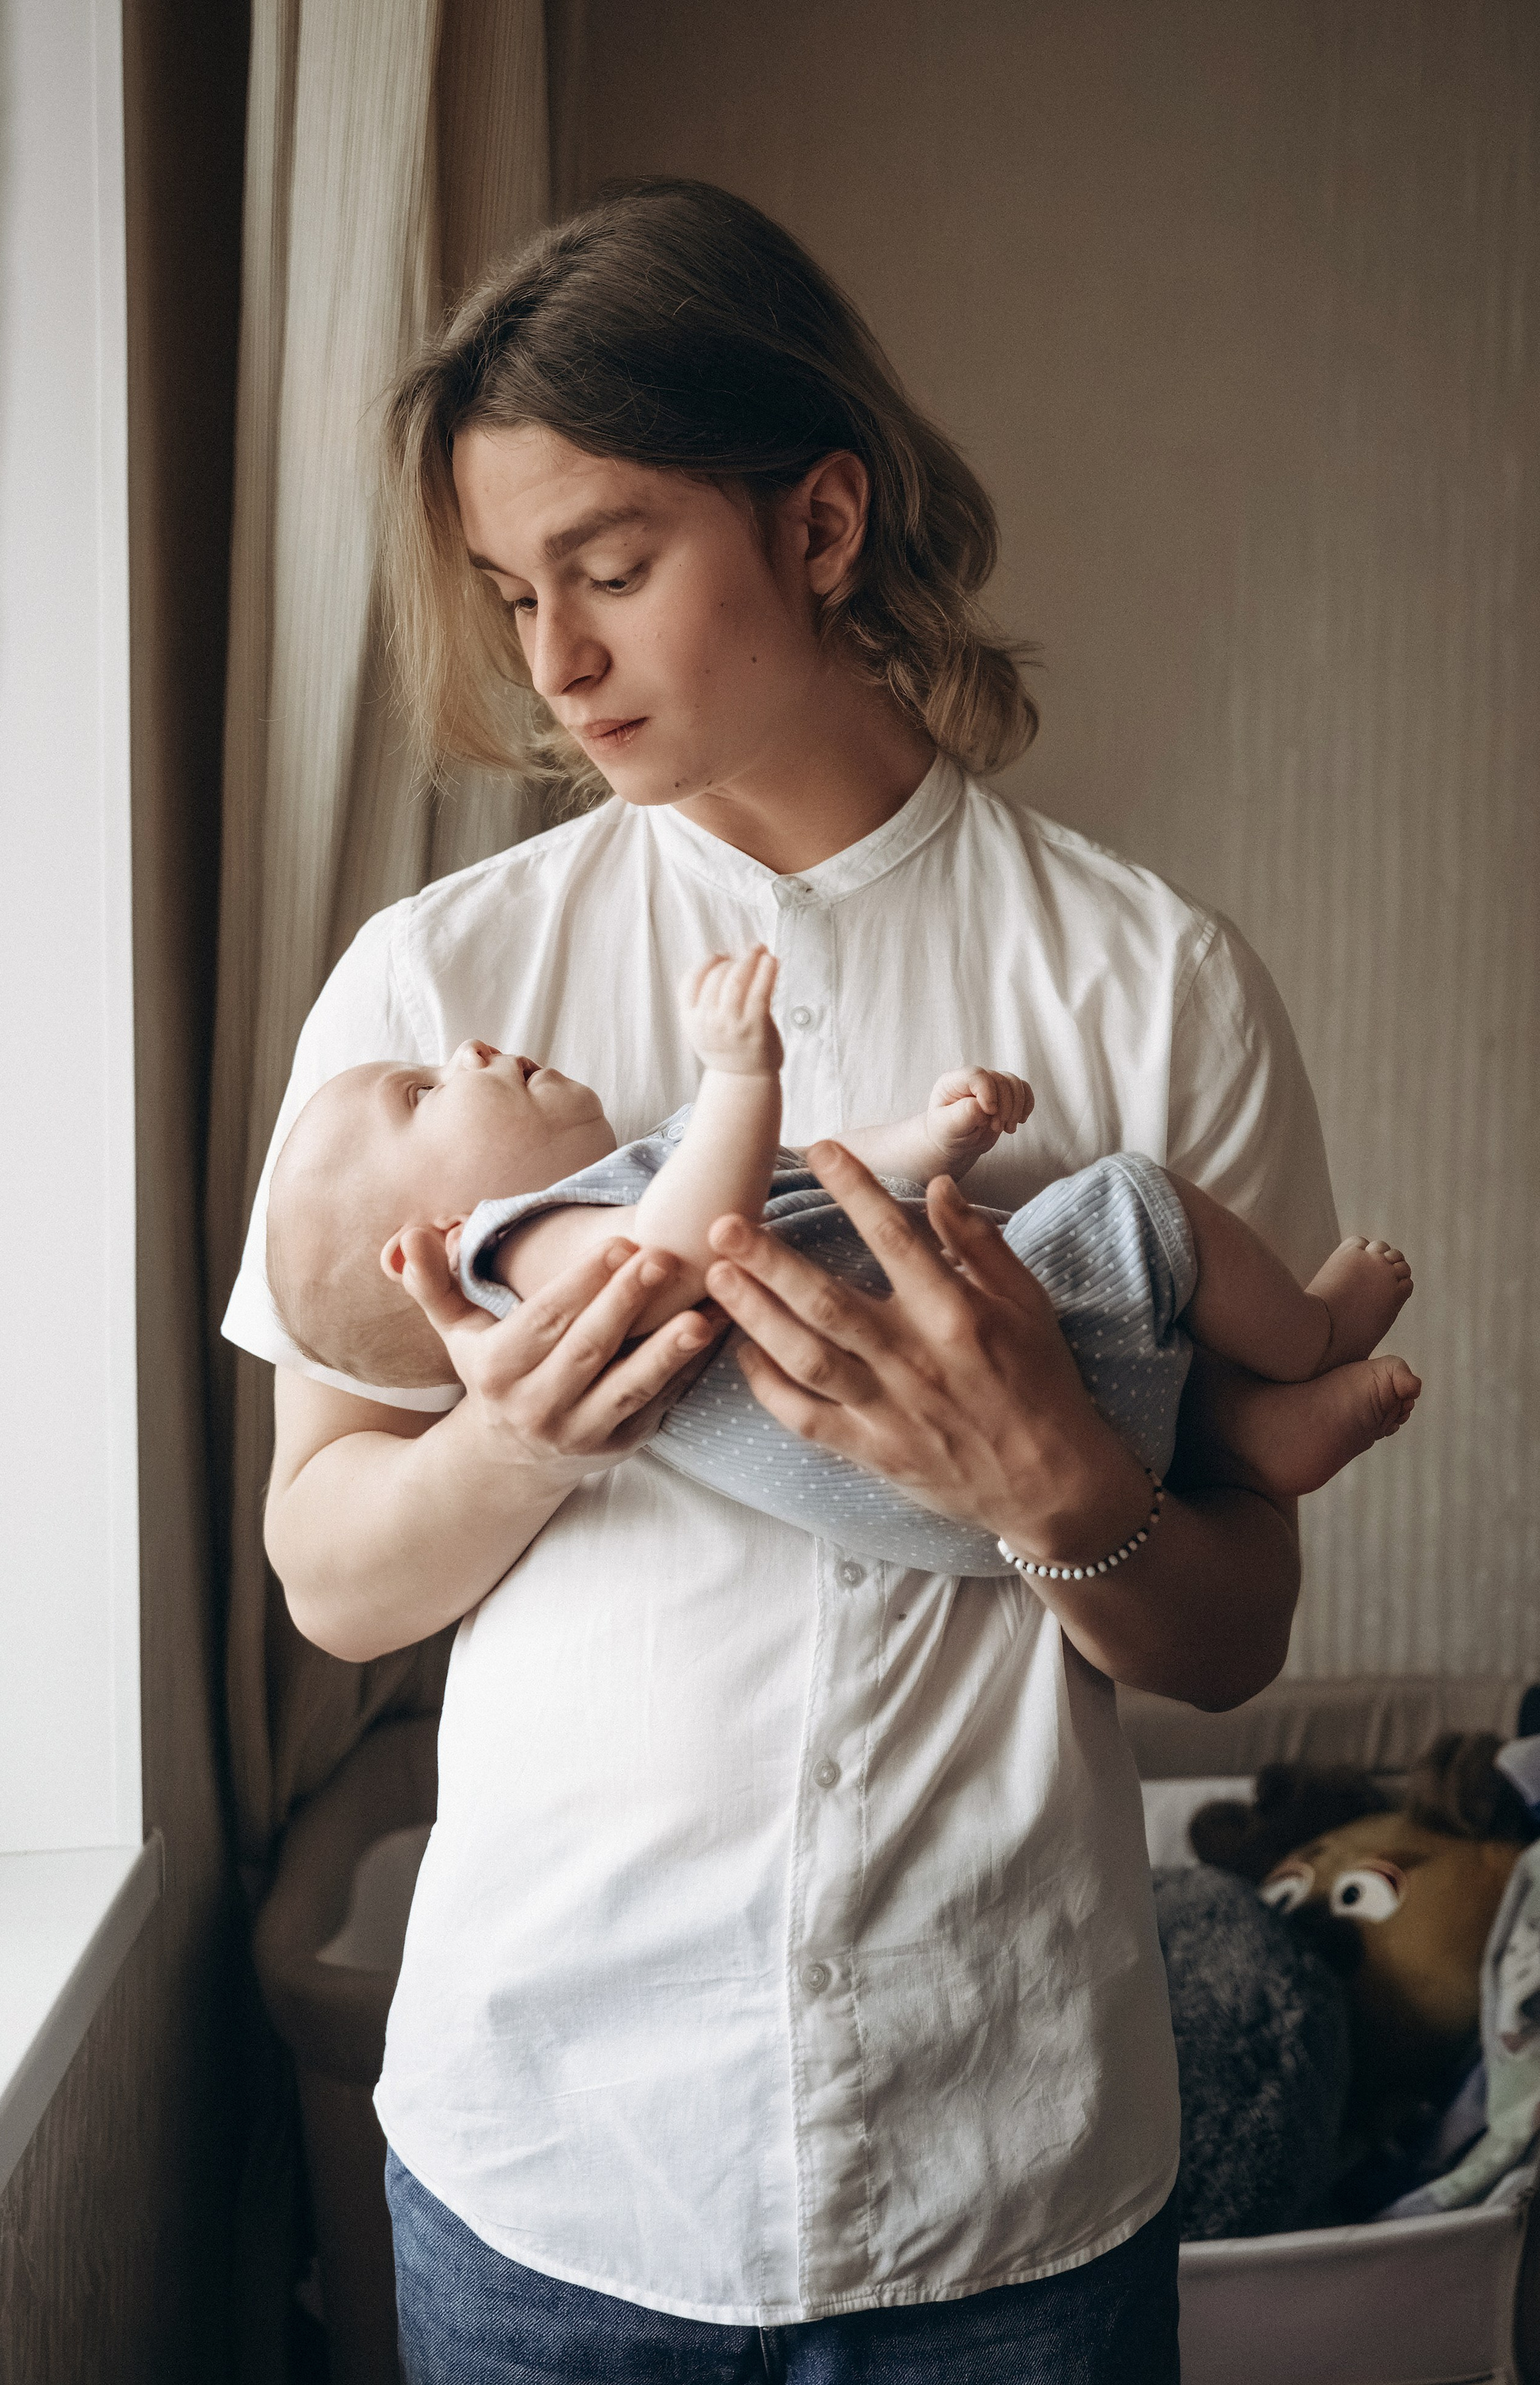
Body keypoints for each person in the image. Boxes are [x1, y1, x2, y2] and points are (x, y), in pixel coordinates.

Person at [222, 179, 1355, 2381]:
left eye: (610, 568)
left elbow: (1235, 1637)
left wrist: (1057, 1491)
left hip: (1004, 2185)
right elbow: (330, 1574)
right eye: (511, 593)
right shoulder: (435, 992)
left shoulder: (1154, 985)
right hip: (549, 2170)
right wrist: (522, 1433)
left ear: (822, 527)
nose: (552, 663)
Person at [263, 947, 1418, 1577]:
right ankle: (1312, 1334)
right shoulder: (516, 1249)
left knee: (1130, 1346)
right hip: (966, 1430)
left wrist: (933, 1141)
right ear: (433, 1237)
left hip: (980, 1492)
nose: (465, 1049)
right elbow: (673, 1258)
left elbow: (810, 1177)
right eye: (422, 1091)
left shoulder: (631, 1181)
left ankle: (1255, 1433)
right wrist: (738, 1076)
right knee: (1137, 1204)